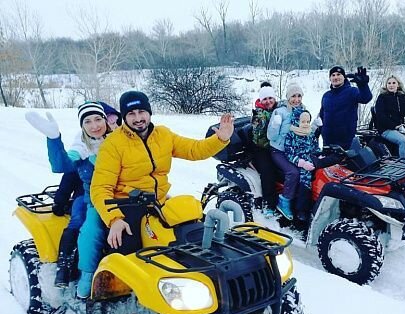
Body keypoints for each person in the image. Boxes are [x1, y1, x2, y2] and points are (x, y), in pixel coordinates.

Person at [91, 90, 233, 258]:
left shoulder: (163, 135)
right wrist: (114, 220)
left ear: (149, 112)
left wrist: (221, 139)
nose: (138, 118)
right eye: (131, 114)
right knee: (127, 247)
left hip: (159, 200)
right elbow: (100, 188)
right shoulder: (113, 144)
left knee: (194, 228)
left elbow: (194, 150)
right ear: (124, 116)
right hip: (128, 204)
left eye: (141, 112)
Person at [25, 102, 110, 293]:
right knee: (84, 223)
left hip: (122, 195)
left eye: (98, 119)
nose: (94, 125)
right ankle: (68, 268)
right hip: (90, 197)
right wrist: (53, 138)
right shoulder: (81, 146)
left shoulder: (117, 139)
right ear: (82, 126)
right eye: (88, 121)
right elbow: (62, 165)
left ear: (105, 119)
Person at [267, 82, 322, 220]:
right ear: (287, 97)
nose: (296, 99)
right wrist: (275, 124)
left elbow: (305, 131)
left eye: (299, 96)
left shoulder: (303, 111)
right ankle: (284, 202)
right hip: (279, 150)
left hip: (296, 150)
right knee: (293, 172)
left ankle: (304, 203)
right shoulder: (280, 112)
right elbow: (271, 136)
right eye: (293, 96)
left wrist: (314, 127)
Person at [319, 66, 373, 150]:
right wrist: (322, 129)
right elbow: (322, 115)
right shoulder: (326, 95)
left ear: (344, 77)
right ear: (330, 78)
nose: (336, 77)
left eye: (339, 74)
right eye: (333, 75)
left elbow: (366, 98)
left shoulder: (352, 91)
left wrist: (363, 85)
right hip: (328, 141)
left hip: (346, 141)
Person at [284, 109, 321, 222]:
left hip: (311, 161)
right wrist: (301, 163)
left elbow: (316, 148)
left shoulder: (310, 134)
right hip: (299, 162)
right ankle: (301, 209)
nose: (305, 124)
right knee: (305, 178)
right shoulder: (291, 135)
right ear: (296, 121)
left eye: (307, 121)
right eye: (303, 121)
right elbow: (288, 153)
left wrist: (319, 156)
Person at [250, 84, 279, 217]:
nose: (268, 101)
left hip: (277, 146)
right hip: (262, 148)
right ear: (260, 100)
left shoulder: (279, 109)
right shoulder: (259, 114)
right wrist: (260, 119)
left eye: (270, 98)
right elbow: (258, 132)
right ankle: (269, 203)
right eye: (265, 99)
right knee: (268, 172)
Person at [374, 75, 405, 158]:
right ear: (386, 85)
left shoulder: (401, 96)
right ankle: (404, 164)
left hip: (400, 128)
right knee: (403, 141)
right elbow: (380, 116)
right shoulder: (382, 97)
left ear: (398, 85)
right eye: (389, 83)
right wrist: (394, 126)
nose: (391, 85)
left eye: (394, 83)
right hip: (386, 129)